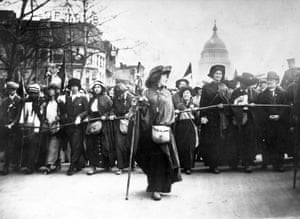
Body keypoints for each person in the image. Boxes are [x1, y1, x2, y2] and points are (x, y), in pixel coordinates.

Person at [135, 65, 181, 201]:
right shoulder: (147, 93)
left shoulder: (168, 93)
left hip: (165, 130)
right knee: (155, 160)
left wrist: (170, 120)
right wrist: (141, 106)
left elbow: (170, 110)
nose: (166, 78)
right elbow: (142, 113)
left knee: (165, 160)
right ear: (157, 77)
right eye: (164, 76)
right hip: (150, 131)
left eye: (167, 76)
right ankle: (155, 188)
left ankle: (161, 187)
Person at [199, 65, 230, 174]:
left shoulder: (225, 87)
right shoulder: (206, 87)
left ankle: (218, 163)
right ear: (212, 75)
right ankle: (212, 165)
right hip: (210, 118)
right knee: (211, 141)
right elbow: (202, 103)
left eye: (220, 74)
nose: (218, 75)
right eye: (216, 73)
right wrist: (203, 116)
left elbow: (228, 103)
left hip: (221, 118)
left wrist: (224, 107)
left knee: (220, 141)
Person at [256, 71, 289, 172]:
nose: (270, 82)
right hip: (268, 124)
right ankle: (269, 162)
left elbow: (286, 108)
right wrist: (268, 117)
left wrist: (279, 116)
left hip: (280, 124)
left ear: (277, 82)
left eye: (272, 80)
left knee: (280, 143)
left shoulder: (283, 94)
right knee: (268, 143)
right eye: (268, 80)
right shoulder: (262, 95)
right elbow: (259, 110)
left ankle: (279, 164)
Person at [229, 73, 259, 173]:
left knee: (249, 141)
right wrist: (239, 108)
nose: (245, 85)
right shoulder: (235, 92)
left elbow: (259, 106)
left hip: (250, 120)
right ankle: (236, 162)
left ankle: (248, 163)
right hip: (238, 120)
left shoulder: (254, 92)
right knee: (238, 140)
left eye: (247, 84)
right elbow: (231, 105)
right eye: (243, 83)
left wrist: (253, 106)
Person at [85, 80, 114, 175]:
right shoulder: (92, 99)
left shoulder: (107, 98)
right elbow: (88, 111)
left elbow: (111, 110)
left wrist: (105, 115)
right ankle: (93, 166)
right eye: (95, 87)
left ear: (102, 88)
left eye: (98, 87)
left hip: (103, 123)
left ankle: (107, 164)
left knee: (104, 144)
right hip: (92, 122)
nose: (96, 89)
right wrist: (85, 117)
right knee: (91, 144)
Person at [62, 78, 88, 175]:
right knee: (72, 146)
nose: (74, 88)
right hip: (68, 126)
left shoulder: (83, 98)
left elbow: (86, 111)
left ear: (79, 87)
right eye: (72, 86)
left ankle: (72, 166)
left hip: (78, 126)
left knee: (76, 145)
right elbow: (64, 112)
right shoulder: (67, 99)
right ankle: (79, 164)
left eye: (75, 86)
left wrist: (79, 117)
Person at [19, 83, 44, 174]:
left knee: (37, 147)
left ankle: (36, 165)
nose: (33, 95)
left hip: (38, 127)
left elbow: (42, 116)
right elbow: (23, 114)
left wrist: (38, 110)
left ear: (38, 93)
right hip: (28, 127)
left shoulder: (41, 102)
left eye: (35, 93)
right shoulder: (26, 102)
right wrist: (21, 124)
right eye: (31, 93)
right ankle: (28, 166)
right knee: (28, 147)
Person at [174, 86, 199, 174]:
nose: (186, 95)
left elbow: (197, 120)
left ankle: (188, 167)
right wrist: (176, 114)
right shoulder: (178, 105)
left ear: (191, 95)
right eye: (184, 93)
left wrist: (195, 112)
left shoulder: (194, 106)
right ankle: (181, 165)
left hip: (190, 127)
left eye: (188, 93)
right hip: (180, 127)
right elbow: (175, 118)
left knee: (190, 147)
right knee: (181, 146)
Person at [0, 81, 22, 175]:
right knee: (6, 147)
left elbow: (19, 114)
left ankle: (16, 165)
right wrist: (4, 123)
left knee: (16, 146)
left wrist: (13, 123)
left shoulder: (19, 100)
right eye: (9, 89)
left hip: (16, 127)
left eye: (13, 89)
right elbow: (2, 114)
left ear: (15, 90)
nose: (11, 91)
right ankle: (6, 167)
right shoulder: (4, 101)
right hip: (5, 127)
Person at [40, 82, 62, 174]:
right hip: (47, 126)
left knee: (54, 145)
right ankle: (55, 162)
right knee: (47, 145)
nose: (50, 92)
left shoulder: (59, 102)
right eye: (49, 90)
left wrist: (58, 120)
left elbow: (62, 114)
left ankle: (49, 165)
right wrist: (45, 121)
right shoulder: (46, 103)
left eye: (52, 90)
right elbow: (43, 114)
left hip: (56, 126)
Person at [112, 83, 132, 175]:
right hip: (119, 123)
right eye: (119, 94)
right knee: (119, 145)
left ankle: (130, 164)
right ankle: (120, 167)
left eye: (122, 93)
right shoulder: (115, 99)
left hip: (131, 123)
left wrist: (131, 113)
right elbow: (112, 109)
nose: (121, 95)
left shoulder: (131, 98)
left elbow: (136, 108)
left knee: (130, 144)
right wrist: (112, 114)